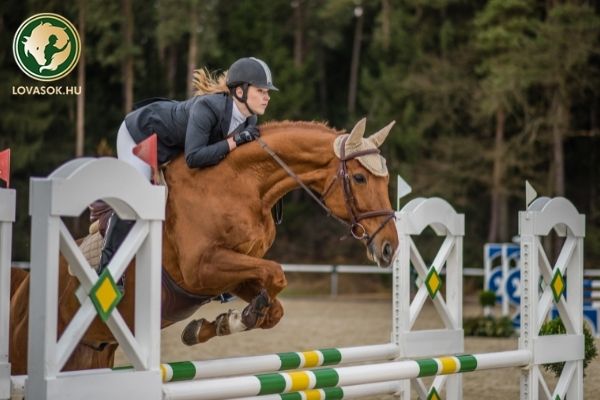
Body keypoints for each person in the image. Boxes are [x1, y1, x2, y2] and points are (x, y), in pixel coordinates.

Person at [98, 57, 278, 280]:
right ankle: (107, 269)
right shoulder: (208, 107)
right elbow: (194, 157)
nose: (267, 97)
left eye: (267, 92)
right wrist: (235, 142)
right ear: (240, 91)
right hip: (140, 136)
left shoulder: (249, 121)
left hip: (173, 148)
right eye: (261, 90)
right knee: (137, 199)